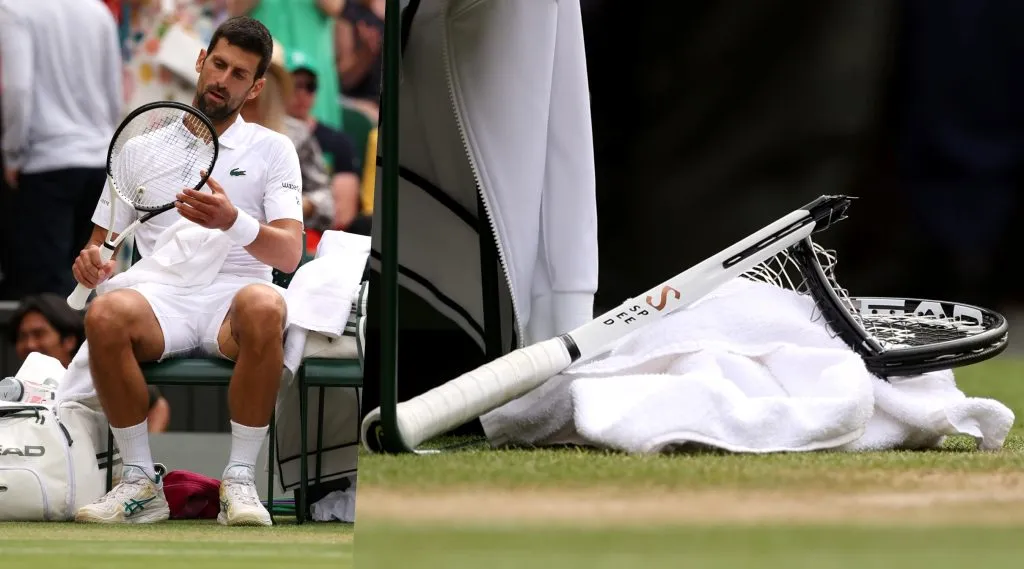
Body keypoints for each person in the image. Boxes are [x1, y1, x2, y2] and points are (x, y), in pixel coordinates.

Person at [71, 16, 304, 527]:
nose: (223, 79)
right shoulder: (139, 150)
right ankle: (138, 483)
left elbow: (289, 255)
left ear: (256, 86)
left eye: (240, 74)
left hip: (235, 299)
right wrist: (91, 265)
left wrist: (234, 223)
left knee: (268, 303)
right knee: (105, 313)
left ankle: (239, 482)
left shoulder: (273, 149)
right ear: (200, 62)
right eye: (218, 64)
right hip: (162, 299)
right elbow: (98, 247)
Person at [0, 0, 123, 298]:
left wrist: (12, 154)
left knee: (42, 291)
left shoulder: (14, 9)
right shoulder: (98, 12)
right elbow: (114, 94)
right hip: (98, 162)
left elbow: (18, 90)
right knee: (82, 285)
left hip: (45, 163)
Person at [10, 294, 171, 432]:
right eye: (22, 337)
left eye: (39, 334)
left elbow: (158, 406)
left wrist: (139, 456)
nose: (30, 345)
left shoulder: (100, 375)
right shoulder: (14, 387)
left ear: (69, 340)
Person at [284, 50, 368, 237]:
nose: (302, 93)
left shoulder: (339, 142)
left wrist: (304, 206)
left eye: (310, 86)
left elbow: (343, 215)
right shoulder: (262, 130)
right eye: (294, 84)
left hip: (317, 234)